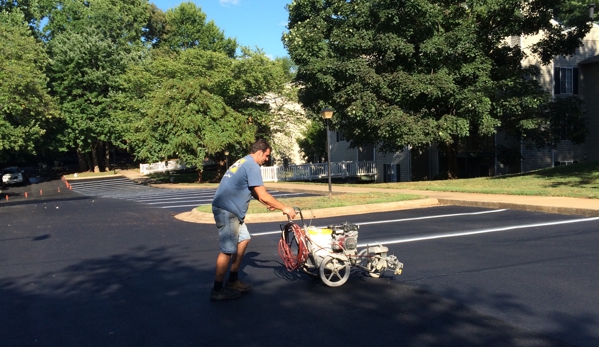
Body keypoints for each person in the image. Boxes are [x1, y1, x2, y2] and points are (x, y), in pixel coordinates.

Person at [210, 139, 297, 301]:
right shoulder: (252, 166)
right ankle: (217, 290)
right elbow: (262, 194)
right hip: (227, 210)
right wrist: (284, 207)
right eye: (266, 155)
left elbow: (255, 192)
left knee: (244, 240)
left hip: (229, 209)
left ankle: (233, 281)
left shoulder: (244, 161)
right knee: (227, 250)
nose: (267, 159)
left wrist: (268, 203)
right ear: (260, 152)